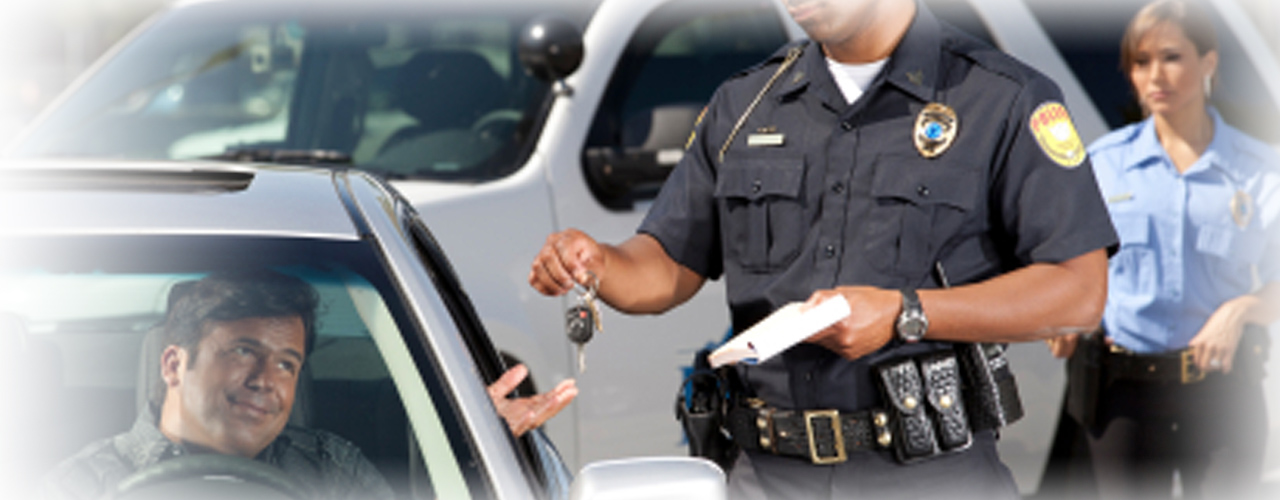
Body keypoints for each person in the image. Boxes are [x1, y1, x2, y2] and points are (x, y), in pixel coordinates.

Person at [528, 0, 1117, 497]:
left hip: (931, 471)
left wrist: (905, 313)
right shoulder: (745, 103)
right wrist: (600, 264)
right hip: (766, 474)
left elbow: (1079, 291)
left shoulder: (1003, 97)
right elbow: (668, 264)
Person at [42, 270, 577, 499]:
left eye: (286, 364)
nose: (265, 381)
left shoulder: (332, 470)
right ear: (173, 365)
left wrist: (465, 439)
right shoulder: (82, 484)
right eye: (243, 351)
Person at [1047, 1, 1280, 498]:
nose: (1155, 75)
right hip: (1122, 395)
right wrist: (1064, 313)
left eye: (1171, 56)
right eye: (1140, 61)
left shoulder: (1260, 168)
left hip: (1222, 394)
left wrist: (1242, 309)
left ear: (1208, 62)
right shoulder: (1103, 165)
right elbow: (1068, 262)